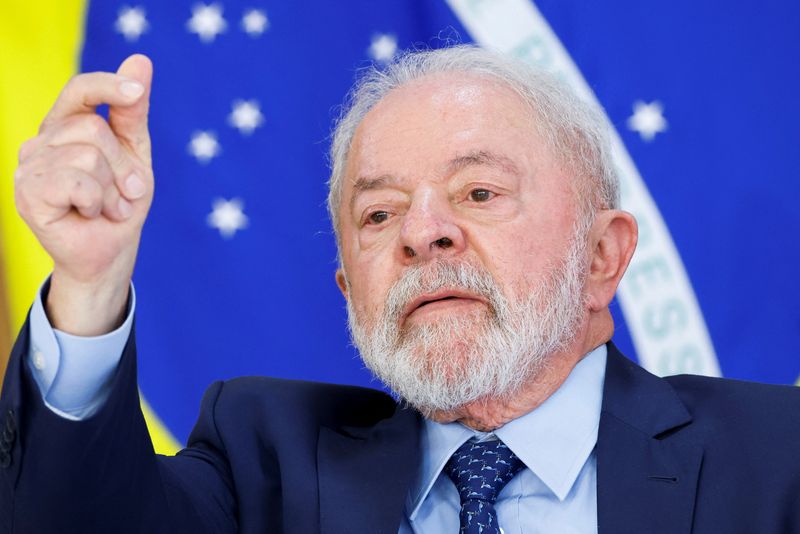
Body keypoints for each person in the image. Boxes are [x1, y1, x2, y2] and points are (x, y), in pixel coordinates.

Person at [1, 45, 799, 533]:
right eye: (378, 213)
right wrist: (90, 283)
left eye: (479, 193)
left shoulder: (778, 462)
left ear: (602, 257)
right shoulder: (262, 461)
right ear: (350, 289)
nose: (423, 233)